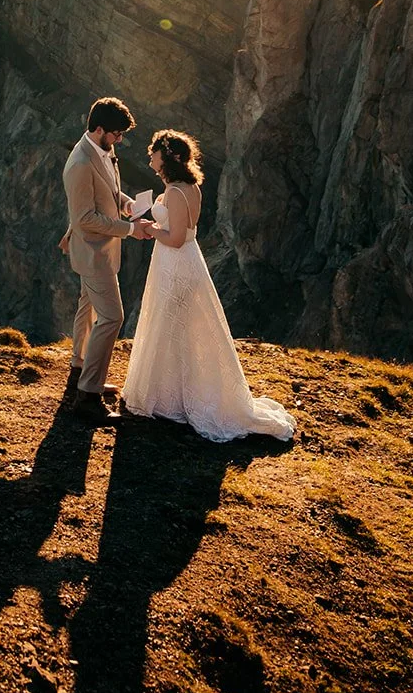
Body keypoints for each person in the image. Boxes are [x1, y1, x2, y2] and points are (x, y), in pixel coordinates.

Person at [122, 129, 295, 443]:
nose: (149, 156)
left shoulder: (174, 192)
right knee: (181, 328)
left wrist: (148, 228)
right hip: (188, 261)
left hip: (174, 263)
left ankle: (169, 397)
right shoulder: (191, 188)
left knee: (168, 325)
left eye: (153, 151)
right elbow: (185, 233)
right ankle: (178, 393)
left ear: (167, 156)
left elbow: (174, 238)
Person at [59, 97, 152, 424]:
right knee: (112, 317)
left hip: (100, 249)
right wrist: (130, 229)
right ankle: (88, 396)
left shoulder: (102, 150)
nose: (119, 141)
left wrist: (127, 205)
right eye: (116, 134)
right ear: (98, 129)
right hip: (93, 252)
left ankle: (79, 370)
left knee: (88, 309)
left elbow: (110, 193)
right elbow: (85, 218)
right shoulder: (81, 163)